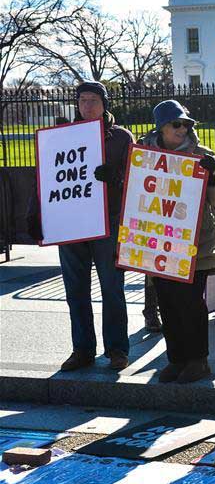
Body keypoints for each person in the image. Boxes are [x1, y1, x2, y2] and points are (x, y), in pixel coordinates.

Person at [141, 100, 215, 384]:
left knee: (191, 303)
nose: (183, 129)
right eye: (176, 123)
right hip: (159, 242)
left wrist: (212, 175)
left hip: (195, 243)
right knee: (167, 303)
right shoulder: (145, 155)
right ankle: (176, 359)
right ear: (162, 127)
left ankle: (198, 360)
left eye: (186, 124)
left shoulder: (202, 155)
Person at [52, 82, 134, 372]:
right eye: (82, 100)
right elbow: (49, 175)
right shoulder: (62, 135)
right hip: (71, 224)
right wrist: (37, 215)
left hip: (108, 222)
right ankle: (82, 349)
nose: (87, 106)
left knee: (112, 288)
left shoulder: (121, 137)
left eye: (93, 100)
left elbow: (136, 179)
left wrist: (117, 177)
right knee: (75, 290)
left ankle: (117, 350)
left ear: (104, 104)